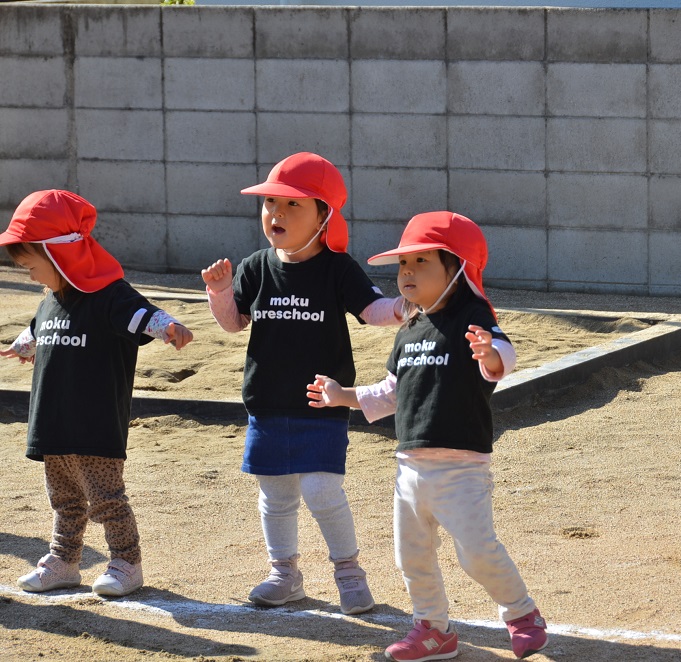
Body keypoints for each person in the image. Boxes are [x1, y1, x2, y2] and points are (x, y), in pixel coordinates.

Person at [306, 211, 548, 661]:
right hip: (410, 466)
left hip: (462, 467)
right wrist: (343, 396)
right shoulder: (409, 329)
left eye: (421, 262)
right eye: (403, 264)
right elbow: (392, 392)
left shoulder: (472, 316)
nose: (407, 272)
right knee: (411, 555)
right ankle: (433, 629)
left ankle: (522, 614)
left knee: (476, 552)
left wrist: (489, 354)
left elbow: (503, 358)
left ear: (457, 268)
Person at [201, 152, 406, 614]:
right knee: (275, 494)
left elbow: (371, 309)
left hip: (322, 402)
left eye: (293, 204)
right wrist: (219, 291)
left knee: (321, 490)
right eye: (271, 203)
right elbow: (234, 323)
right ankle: (284, 574)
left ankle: (349, 573)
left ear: (323, 216)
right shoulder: (256, 266)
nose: (277, 212)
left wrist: (402, 308)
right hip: (267, 403)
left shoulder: (337, 267)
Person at [0, 189, 193, 597]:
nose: (29, 276)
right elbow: (38, 330)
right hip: (53, 423)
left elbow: (143, 314)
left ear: (58, 253)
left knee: (106, 498)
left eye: (31, 266)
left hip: (95, 423)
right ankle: (64, 560)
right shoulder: (51, 300)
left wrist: (168, 327)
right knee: (64, 498)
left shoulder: (109, 294)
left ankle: (126, 562)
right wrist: (23, 345)